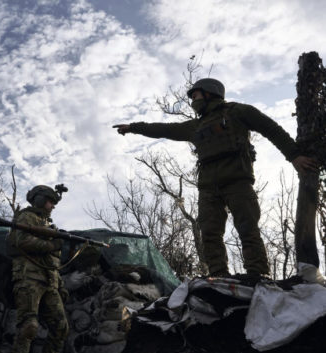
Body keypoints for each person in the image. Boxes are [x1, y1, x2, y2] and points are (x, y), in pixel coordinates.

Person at [113, 78, 318, 279]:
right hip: (208, 189)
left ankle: (258, 274)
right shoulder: (195, 126)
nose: (193, 100)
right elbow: (162, 129)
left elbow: (271, 129)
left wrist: (294, 156)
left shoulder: (237, 112)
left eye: (196, 95)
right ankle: (218, 276)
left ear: (210, 93)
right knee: (210, 234)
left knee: (248, 229)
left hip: (238, 182)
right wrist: (133, 127)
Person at [7, 185, 69, 353]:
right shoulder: (27, 217)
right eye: (50, 202)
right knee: (29, 327)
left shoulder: (48, 224)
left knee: (61, 327)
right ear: (40, 200)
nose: (53, 206)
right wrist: (51, 245)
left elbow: (52, 261)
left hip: (50, 281)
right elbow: (22, 241)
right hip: (29, 278)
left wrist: (60, 284)